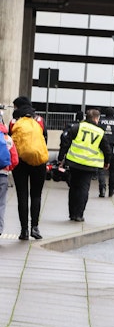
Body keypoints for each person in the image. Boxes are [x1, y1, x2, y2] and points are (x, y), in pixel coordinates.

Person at [58, 108, 111, 223]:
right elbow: (107, 150)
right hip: (89, 165)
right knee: (83, 189)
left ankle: (72, 213)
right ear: (96, 119)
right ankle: (79, 214)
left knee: (73, 188)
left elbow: (65, 143)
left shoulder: (77, 127)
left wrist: (60, 158)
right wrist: (107, 162)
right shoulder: (100, 132)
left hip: (74, 162)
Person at [9, 96, 49, 240]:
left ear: (18, 107)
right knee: (36, 195)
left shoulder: (14, 122)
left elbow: (10, 142)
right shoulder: (39, 120)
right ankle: (35, 228)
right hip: (38, 161)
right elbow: (45, 139)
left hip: (20, 162)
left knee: (22, 195)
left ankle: (24, 230)